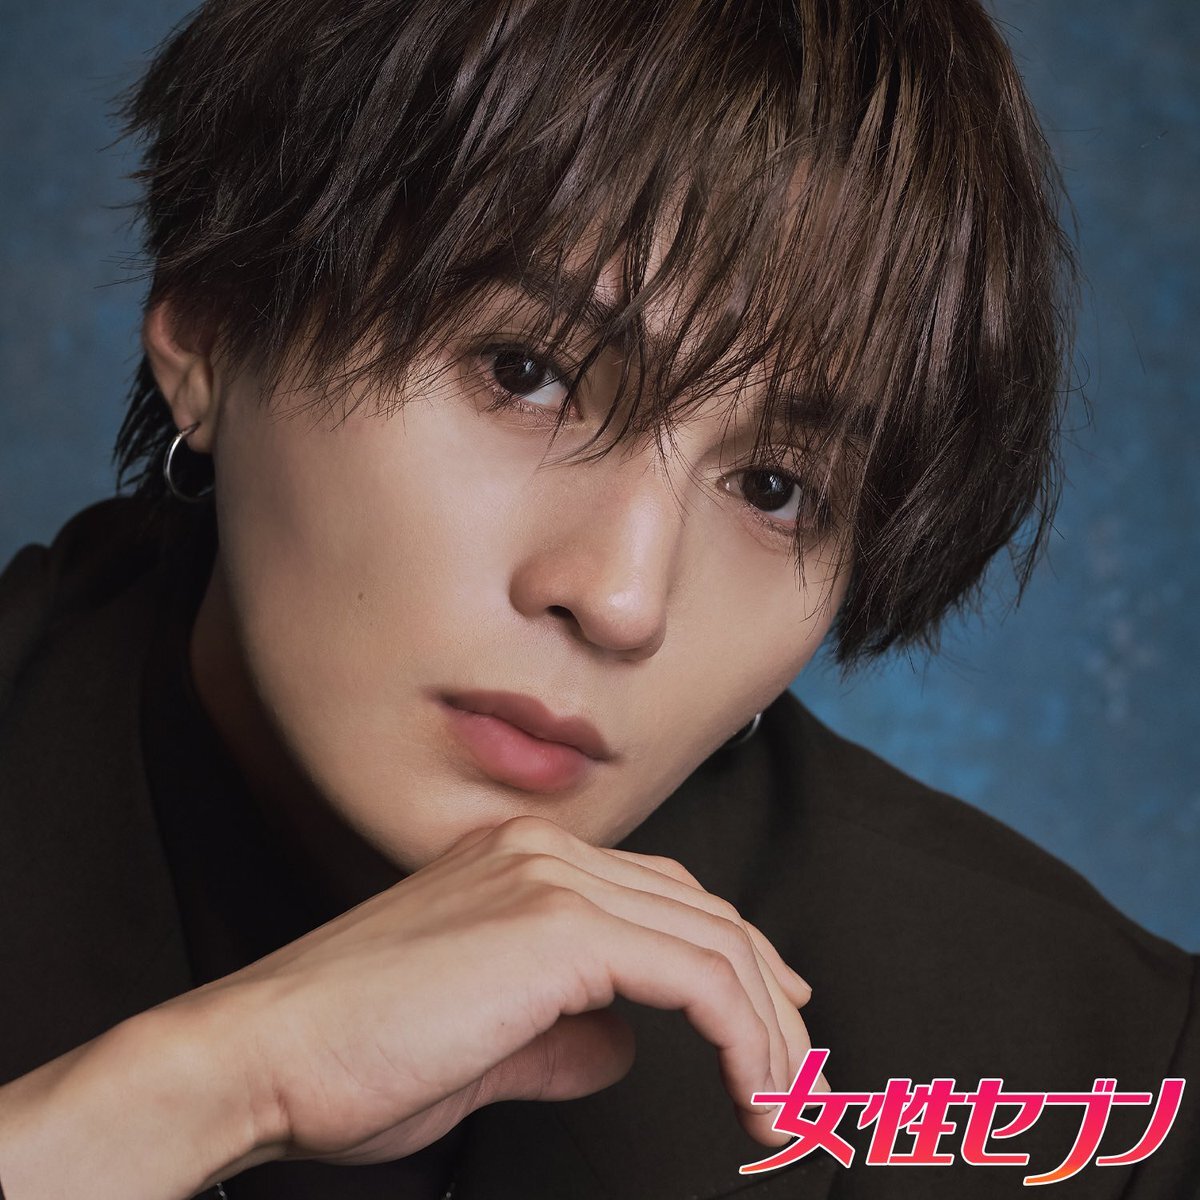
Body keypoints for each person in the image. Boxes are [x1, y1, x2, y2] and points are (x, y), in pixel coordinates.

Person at [0, 1, 1195, 1197]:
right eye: (527, 374)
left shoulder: (1094, 1081)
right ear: (212, 329)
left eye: (775, 488)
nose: (624, 600)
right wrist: (213, 1086)